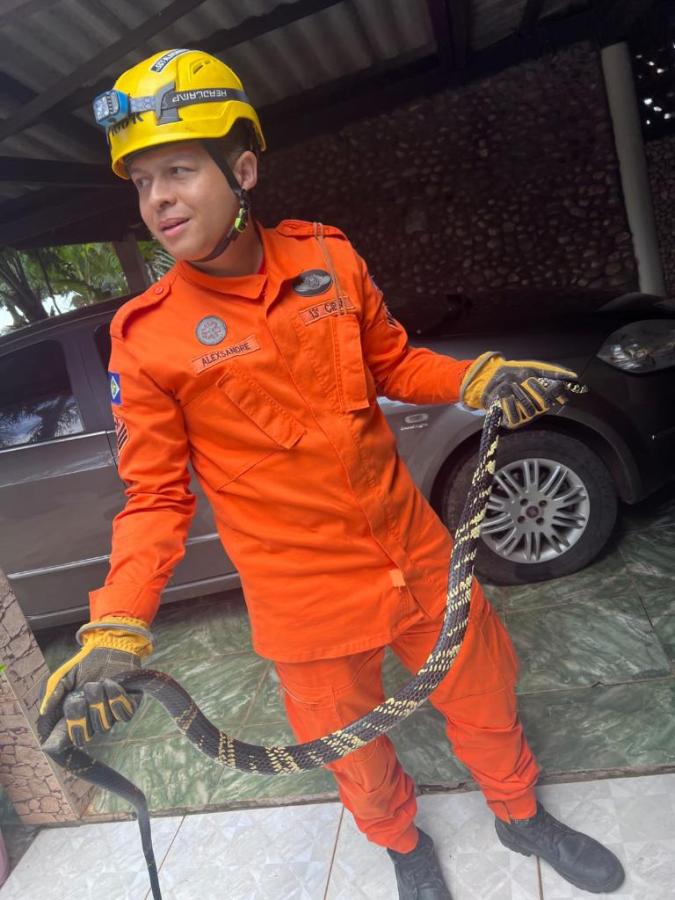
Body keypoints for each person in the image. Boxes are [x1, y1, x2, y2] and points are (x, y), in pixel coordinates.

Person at [39, 50, 624, 899]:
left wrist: (473, 378)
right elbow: (156, 497)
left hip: (416, 555)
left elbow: (393, 362)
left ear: (242, 170)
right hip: (304, 601)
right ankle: (402, 847)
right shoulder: (147, 337)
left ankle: (518, 812)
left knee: (485, 693)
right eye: (140, 182)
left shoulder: (329, 257)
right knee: (353, 748)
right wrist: (117, 622)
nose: (156, 199)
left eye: (178, 170)